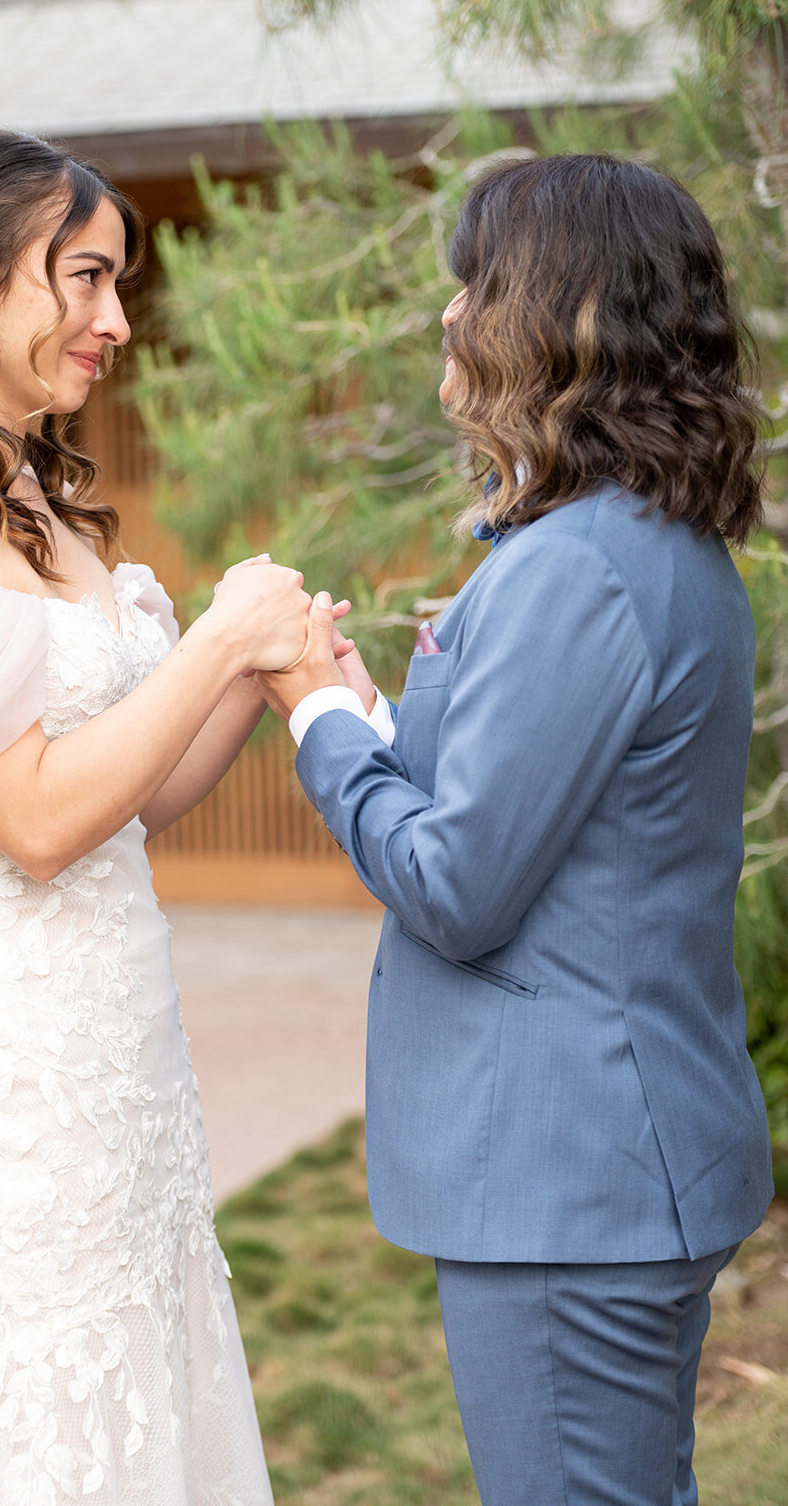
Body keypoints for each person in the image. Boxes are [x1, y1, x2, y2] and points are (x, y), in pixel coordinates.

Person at [0, 125, 337, 1506]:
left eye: (119, 286)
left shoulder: (40, 496)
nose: (115, 322)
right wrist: (215, 645)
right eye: (85, 279)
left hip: (128, 1068)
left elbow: (133, 796)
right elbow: (35, 827)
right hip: (19, 1095)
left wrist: (267, 670)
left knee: (145, 1408)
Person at [259, 153, 774, 1506]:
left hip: (568, 1177)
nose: (446, 317)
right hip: (614, 1160)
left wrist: (316, 717)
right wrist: (378, 718)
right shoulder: (639, 543)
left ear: (559, 313)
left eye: (473, 286)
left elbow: (454, 881)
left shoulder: (579, 569)